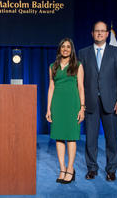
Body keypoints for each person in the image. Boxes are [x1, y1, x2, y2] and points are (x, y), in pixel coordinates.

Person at [78, 21, 117, 181]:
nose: (99, 33)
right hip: (90, 103)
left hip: (112, 102)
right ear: (92, 33)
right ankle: (92, 168)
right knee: (90, 139)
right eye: (96, 31)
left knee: (111, 139)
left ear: (107, 34)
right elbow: (79, 80)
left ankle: (111, 170)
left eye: (102, 31)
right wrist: (80, 103)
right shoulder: (83, 53)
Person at [46, 38, 85, 184]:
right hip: (58, 105)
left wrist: (82, 107)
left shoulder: (78, 65)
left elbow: (81, 87)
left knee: (71, 137)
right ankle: (62, 169)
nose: (65, 49)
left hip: (72, 105)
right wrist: (48, 108)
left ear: (71, 49)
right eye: (63, 47)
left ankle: (70, 168)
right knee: (59, 137)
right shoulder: (53, 66)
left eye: (68, 47)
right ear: (59, 49)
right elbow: (51, 87)